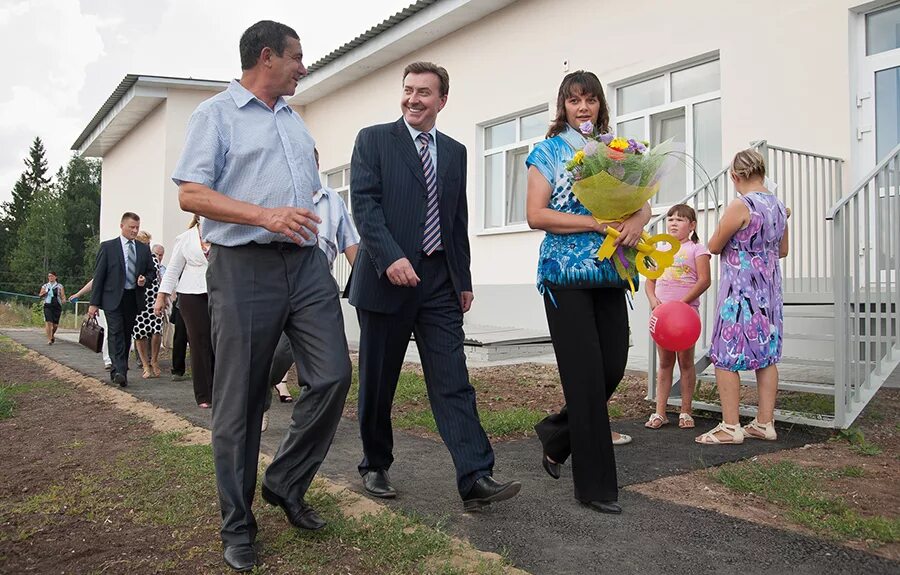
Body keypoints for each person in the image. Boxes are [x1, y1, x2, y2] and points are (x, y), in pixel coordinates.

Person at [172, 20, 352, 572]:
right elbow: (191, 194)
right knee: (242, 400)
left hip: (305, 265)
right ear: (267, 57)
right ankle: (237, 524)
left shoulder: (295, 124)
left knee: (333, 375)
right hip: (245, 266)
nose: (304, 67)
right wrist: (264, 214)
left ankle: (284, 481)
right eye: (297, 58)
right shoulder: (216, 115)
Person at [349, 61, 521, 511]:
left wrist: (462, 279)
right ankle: (375, 464)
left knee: (452, 380)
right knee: (378, 380)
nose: (413, 99)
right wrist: (391, 258)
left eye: (424, 92)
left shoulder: (456, 151)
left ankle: (475, 475)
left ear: (442, 100)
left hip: (439, 283)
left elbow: (456, 219)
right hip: (386, 281)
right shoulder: (373, 140)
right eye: (408, 90)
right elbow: (365, 208)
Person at [525, 70, 650, 515]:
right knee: (583, 377)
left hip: (610, 272)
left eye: (590, 100)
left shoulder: (616, 151)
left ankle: (558, 436)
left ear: (600, 105)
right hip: (565, 277)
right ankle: (596, 488)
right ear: (563, 106)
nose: (583, 108)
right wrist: (594, 223)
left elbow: (641, 200)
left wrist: (637, 221)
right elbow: (536, 215)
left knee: (613, 365)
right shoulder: (547, 152)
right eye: (574, 100)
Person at [696, 149, 790, 445]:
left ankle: (730, 426)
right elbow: (783, 251)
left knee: (725, 355)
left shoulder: (741, 205)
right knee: (766, 356)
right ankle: (764, 423)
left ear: (735, 177)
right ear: (762, 173)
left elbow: (713, 245)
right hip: (769, 291)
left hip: (741, 290)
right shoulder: (780, 207)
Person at [263, 147, 360, 418]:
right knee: (280, 351)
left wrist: (364, 282)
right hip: (280, 283)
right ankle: (259, 396)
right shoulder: (277, 196)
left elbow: (350, 243)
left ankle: (309, 419)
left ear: (317, 164)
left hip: (318, 285)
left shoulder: (333, 200)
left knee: (329, 363)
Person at [644, 204, 711, 429]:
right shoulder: (659, 251)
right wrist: (654, 302)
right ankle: (660, 412)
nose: (673, 222)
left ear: (692, 226)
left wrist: (681, 306)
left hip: (685, 317)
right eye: (670, 218)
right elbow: (650, 282)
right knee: (664, 363)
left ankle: (685, 411)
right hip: (663, 318)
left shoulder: (697, 249)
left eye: (680, 220)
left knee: (685, 362)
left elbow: (704, 280)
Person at [88, 212, 155, 387]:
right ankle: (119, 370)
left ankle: (120, 370)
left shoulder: (143, 248)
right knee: (115, 331)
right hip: (112, 298)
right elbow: (99, 276)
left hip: (132, 297)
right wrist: (93, 304)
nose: (134, 231)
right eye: (131, 227)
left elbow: (151, 272)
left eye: (137, 228)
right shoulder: (108, 247)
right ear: (122, 226)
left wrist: (144, 280)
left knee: (126, 334)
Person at [154, 215, 214, 407]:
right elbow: (172, 269)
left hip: (220, 291)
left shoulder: (224, 234)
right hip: (191, 294)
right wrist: (161, 296)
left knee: (220, 341)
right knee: (199, 341)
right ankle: (204, 394)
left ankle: (222, 389)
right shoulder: (185, 238)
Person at [132, 231, 164, 379]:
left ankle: (155, 360)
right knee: (140, 333)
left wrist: (163, 297)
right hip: (139, 299)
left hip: (154, 299)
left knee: (157, 331)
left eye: (148, 244)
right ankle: (145, 365)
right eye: (144, 244)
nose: (146, 246)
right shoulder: (133, 259)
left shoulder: (154, 259)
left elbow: (159, 278)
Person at [69, 279, 112, 370]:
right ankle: (108, 359)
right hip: (105, 304)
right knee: (109, 332)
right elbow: (95, 281)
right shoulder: (106, 266)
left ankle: (121, 359)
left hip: (123, 302)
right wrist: (79, 295)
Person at [39, 272, 66, 344]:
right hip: (47, 305)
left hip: (57, 305)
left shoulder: (59, 286)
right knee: (48, 322)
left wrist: (63, 300)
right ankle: (49, 339)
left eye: (52, 276)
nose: (50, 277)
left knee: (55, 325)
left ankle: (52, 335)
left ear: (55, 277)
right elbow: (40, 295)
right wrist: (45, 293)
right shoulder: (45, 286)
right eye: (49, 276)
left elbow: (63, 296)